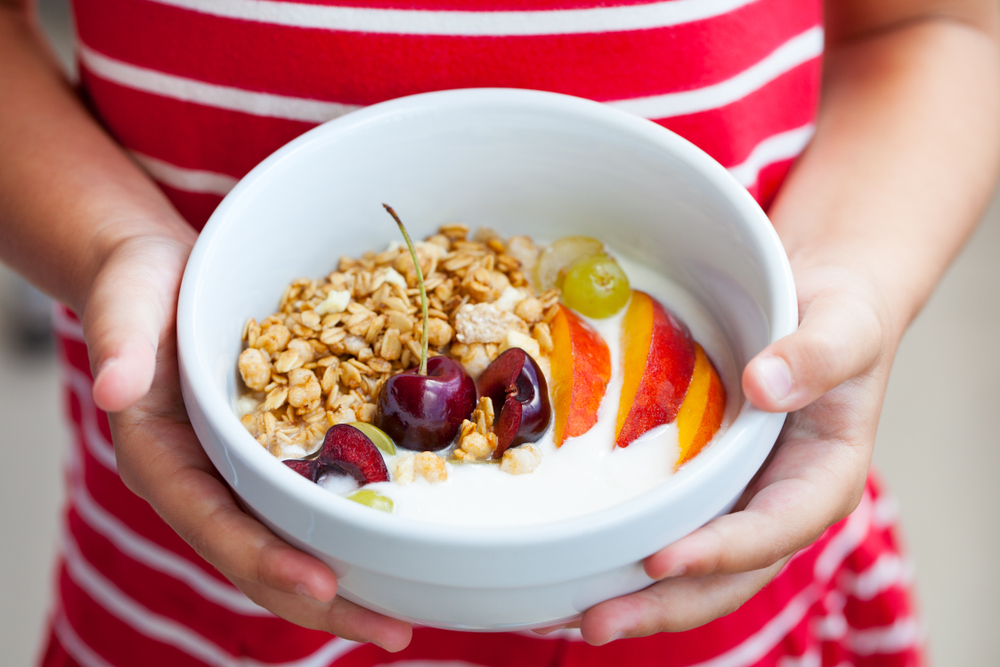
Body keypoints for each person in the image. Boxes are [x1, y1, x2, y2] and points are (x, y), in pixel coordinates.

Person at [1, 0, 998, 664]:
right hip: (198, 557)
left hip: (721, 551)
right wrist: (111, 246)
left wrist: (853, 277)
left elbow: (933, 25)